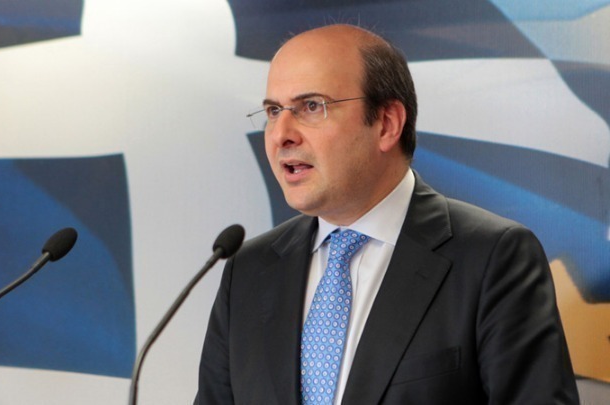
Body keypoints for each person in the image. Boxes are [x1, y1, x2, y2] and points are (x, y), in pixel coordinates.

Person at [196, 24, 578, 404]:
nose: (281, 134)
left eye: (311, 106)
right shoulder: (247, 270)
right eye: (273, 111)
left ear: (387, 124)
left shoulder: (492, 259)